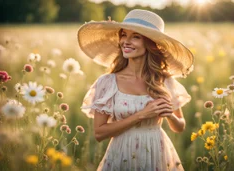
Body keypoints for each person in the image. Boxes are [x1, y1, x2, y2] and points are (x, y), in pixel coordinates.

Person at [78, 9, 194, 171]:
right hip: (121, 153)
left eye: (136, 37)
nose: (126, 41)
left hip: (157, 152)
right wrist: (141, 115)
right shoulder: (108, 82)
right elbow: (99, 133)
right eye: (124, 35)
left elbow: (180, 126)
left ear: (150, 45)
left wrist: (170, 116)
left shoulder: (164, 81)